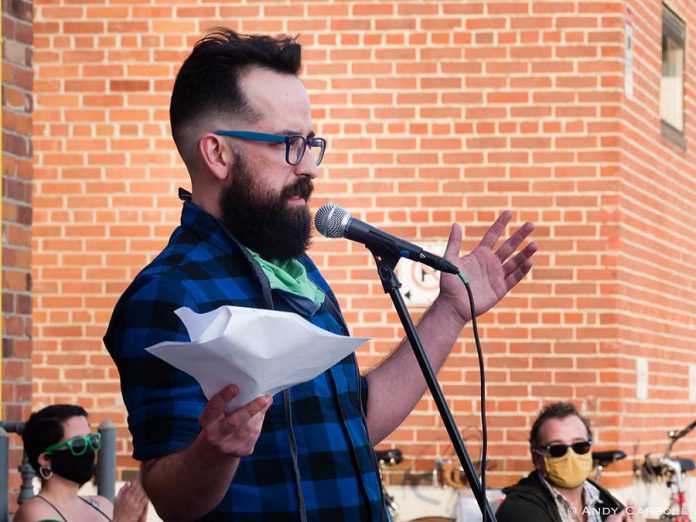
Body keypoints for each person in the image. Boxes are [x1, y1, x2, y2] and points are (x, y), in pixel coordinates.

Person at [103, 28, 537, 521]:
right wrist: (216, 449)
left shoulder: (297, 270)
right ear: (218, 154)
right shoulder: (169, 292)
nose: (309, 166)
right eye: (289, 143)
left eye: (311, 143)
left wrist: (450, 312)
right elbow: (168, 496)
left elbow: (354, 421)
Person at [496, 402, 645, 522]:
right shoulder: (518, 509)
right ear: (537, 458)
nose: (570, 456)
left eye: (580, 446)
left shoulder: (603, 499)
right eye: (557, 449)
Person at [15, 404, 149, 522]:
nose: (89, 449)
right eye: (78, 444)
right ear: (46, 459)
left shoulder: (102, 505)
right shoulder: (34, 512)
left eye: (91, 440)